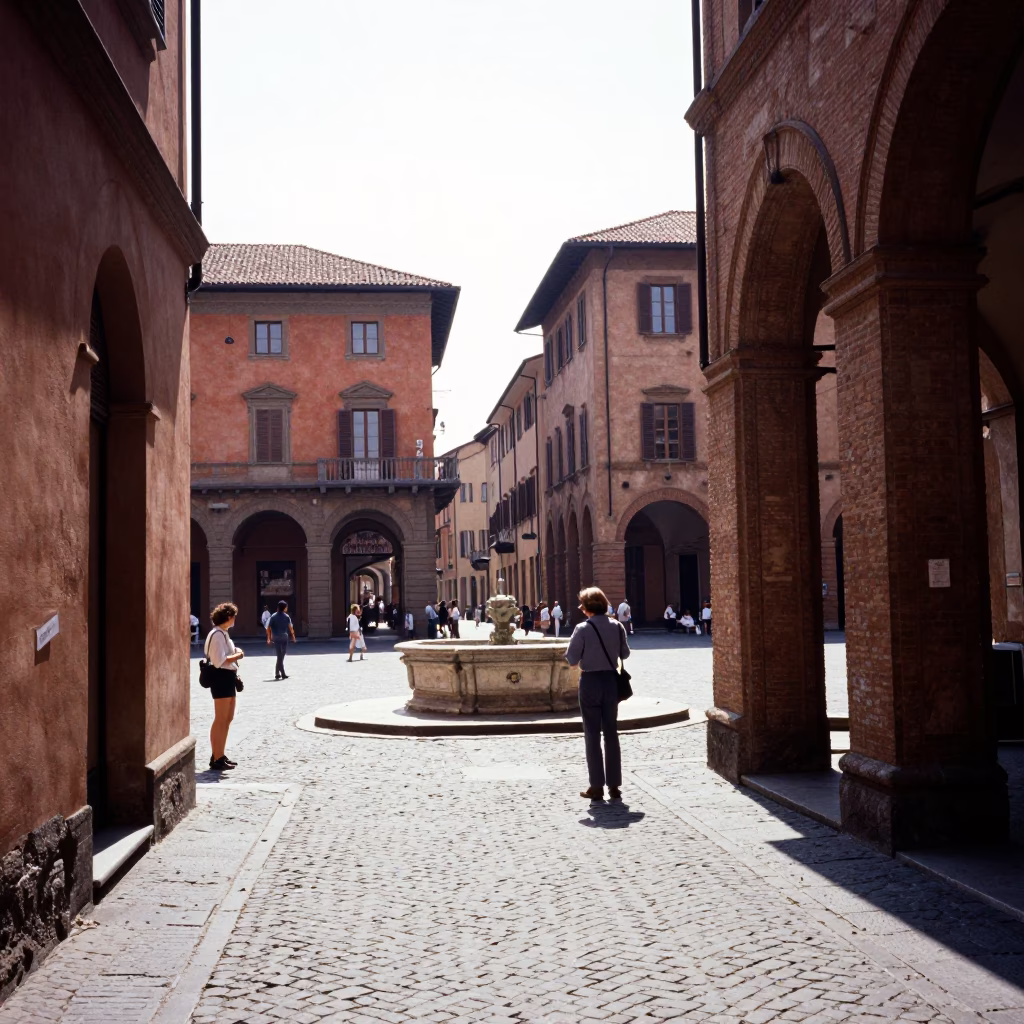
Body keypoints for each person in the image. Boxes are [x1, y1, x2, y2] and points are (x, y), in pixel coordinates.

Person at [565, 587, 630, 802]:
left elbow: (572, 659)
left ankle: (596, 786)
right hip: (611, 681)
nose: (581, 609)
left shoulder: (582, 628)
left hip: (591, 682)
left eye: (582, 605)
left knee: (592, 734)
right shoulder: (617, 626)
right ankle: (614, 786)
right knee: (611, 732)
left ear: (587, 607)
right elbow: (625, 654)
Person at [204, 602, 244, 772]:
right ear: (229, 617)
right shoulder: (217, 635)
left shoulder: (224, 633)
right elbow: (219, 661)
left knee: (228, 718)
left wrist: (235, 653)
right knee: (220, 719)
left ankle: (220, 754)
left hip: (228, 677)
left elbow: (230, 653)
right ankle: (217, 757)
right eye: (234, 616)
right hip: (220, 678)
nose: (235, 619)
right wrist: (238, 654)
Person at [266, 600, 296, 678]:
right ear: (284, 608)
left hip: (276, 637)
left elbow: (268, 628)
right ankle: (282, 673)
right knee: (282, 655)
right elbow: (290, 627)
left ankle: (277, 673)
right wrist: (293, 636)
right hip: (284, 637)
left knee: (279, 656)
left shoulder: (273, 616)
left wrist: (269, 638)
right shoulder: (287, 616)